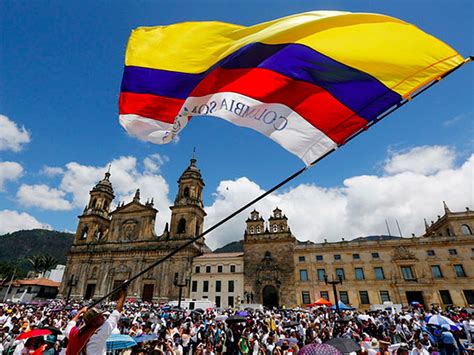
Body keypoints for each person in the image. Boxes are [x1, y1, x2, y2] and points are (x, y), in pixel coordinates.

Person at [65, 285, 127, 355]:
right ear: (94, 322)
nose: (103, 316)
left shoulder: (76, 333)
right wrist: (123, 292)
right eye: (99, 316)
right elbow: (117, 311)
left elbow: (70, 325)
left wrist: (80, 312)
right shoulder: (100, 333)